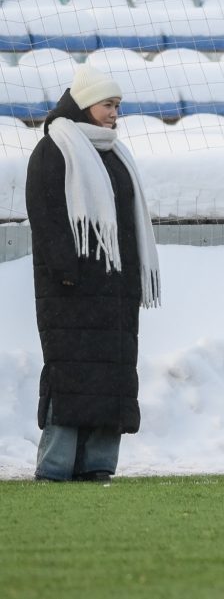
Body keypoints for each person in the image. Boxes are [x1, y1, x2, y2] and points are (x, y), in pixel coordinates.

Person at [25, 65, 161, 482]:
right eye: (108, 105)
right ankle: (56, 466)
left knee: (113, 376)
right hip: (71, 290)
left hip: (115, 291)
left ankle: (98, 464)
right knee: (71, 375)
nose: (115, 113)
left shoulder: (115, 154)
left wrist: (132, 277)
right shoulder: (54, 149)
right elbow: (46, 215)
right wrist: (66, 270)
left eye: (117, 105)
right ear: (86, 105)